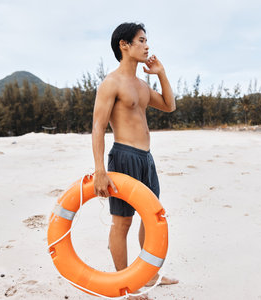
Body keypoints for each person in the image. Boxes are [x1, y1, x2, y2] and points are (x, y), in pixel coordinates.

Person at [92, 22, 178, 299]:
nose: (147, 45)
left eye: (146, 41)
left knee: (150, 217)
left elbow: (169, 105)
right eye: (141, 40)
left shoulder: (141, 86)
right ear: (124, 45)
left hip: (146, 158)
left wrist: (161, 73)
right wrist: (99, 171)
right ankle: (125, 283)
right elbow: (97, 128)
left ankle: (149, 273)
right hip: (124, 156)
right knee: (123, 222)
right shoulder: (111, 83)